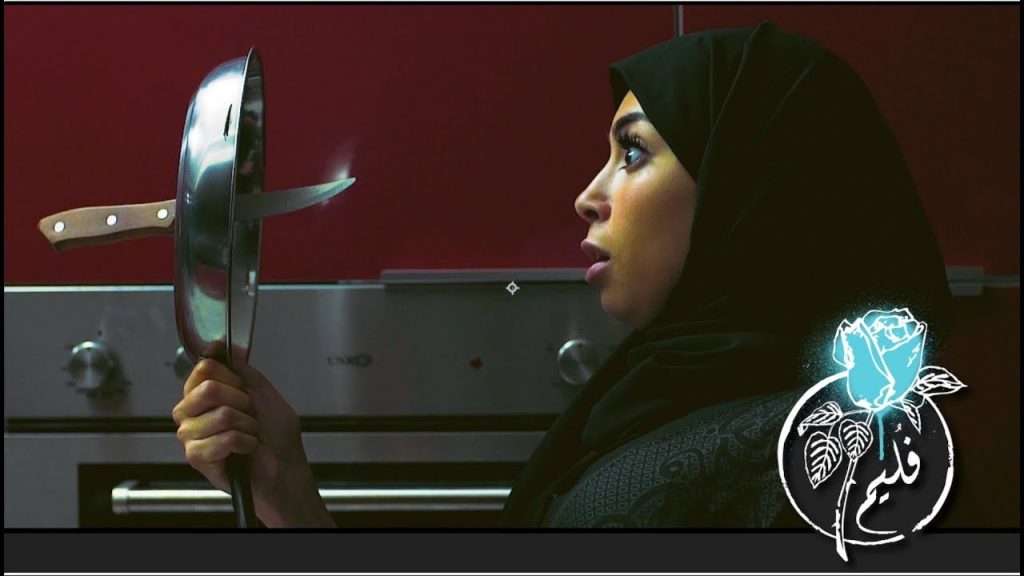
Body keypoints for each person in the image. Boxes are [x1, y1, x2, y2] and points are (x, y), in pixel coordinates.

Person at [172, 22, 952, 528]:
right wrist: (286, 488)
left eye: (633, 152)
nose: (589, 195)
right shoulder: (661, 406)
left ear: (754, 187)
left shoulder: (823, 465)